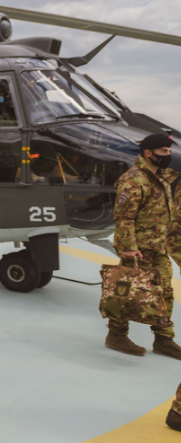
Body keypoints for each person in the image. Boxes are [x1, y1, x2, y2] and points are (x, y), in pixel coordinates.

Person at [107, 133, 180, 358]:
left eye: (169, 151)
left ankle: (163, 339)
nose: (167, 155)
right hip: (137, 249)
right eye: (163, 152)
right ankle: (116, 335)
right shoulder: (133, 179)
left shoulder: (161, 177)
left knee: (164, 292)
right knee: (127, 291)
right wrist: (129, 247)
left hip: (158, 246)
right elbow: (124, 217)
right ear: (148, 153)